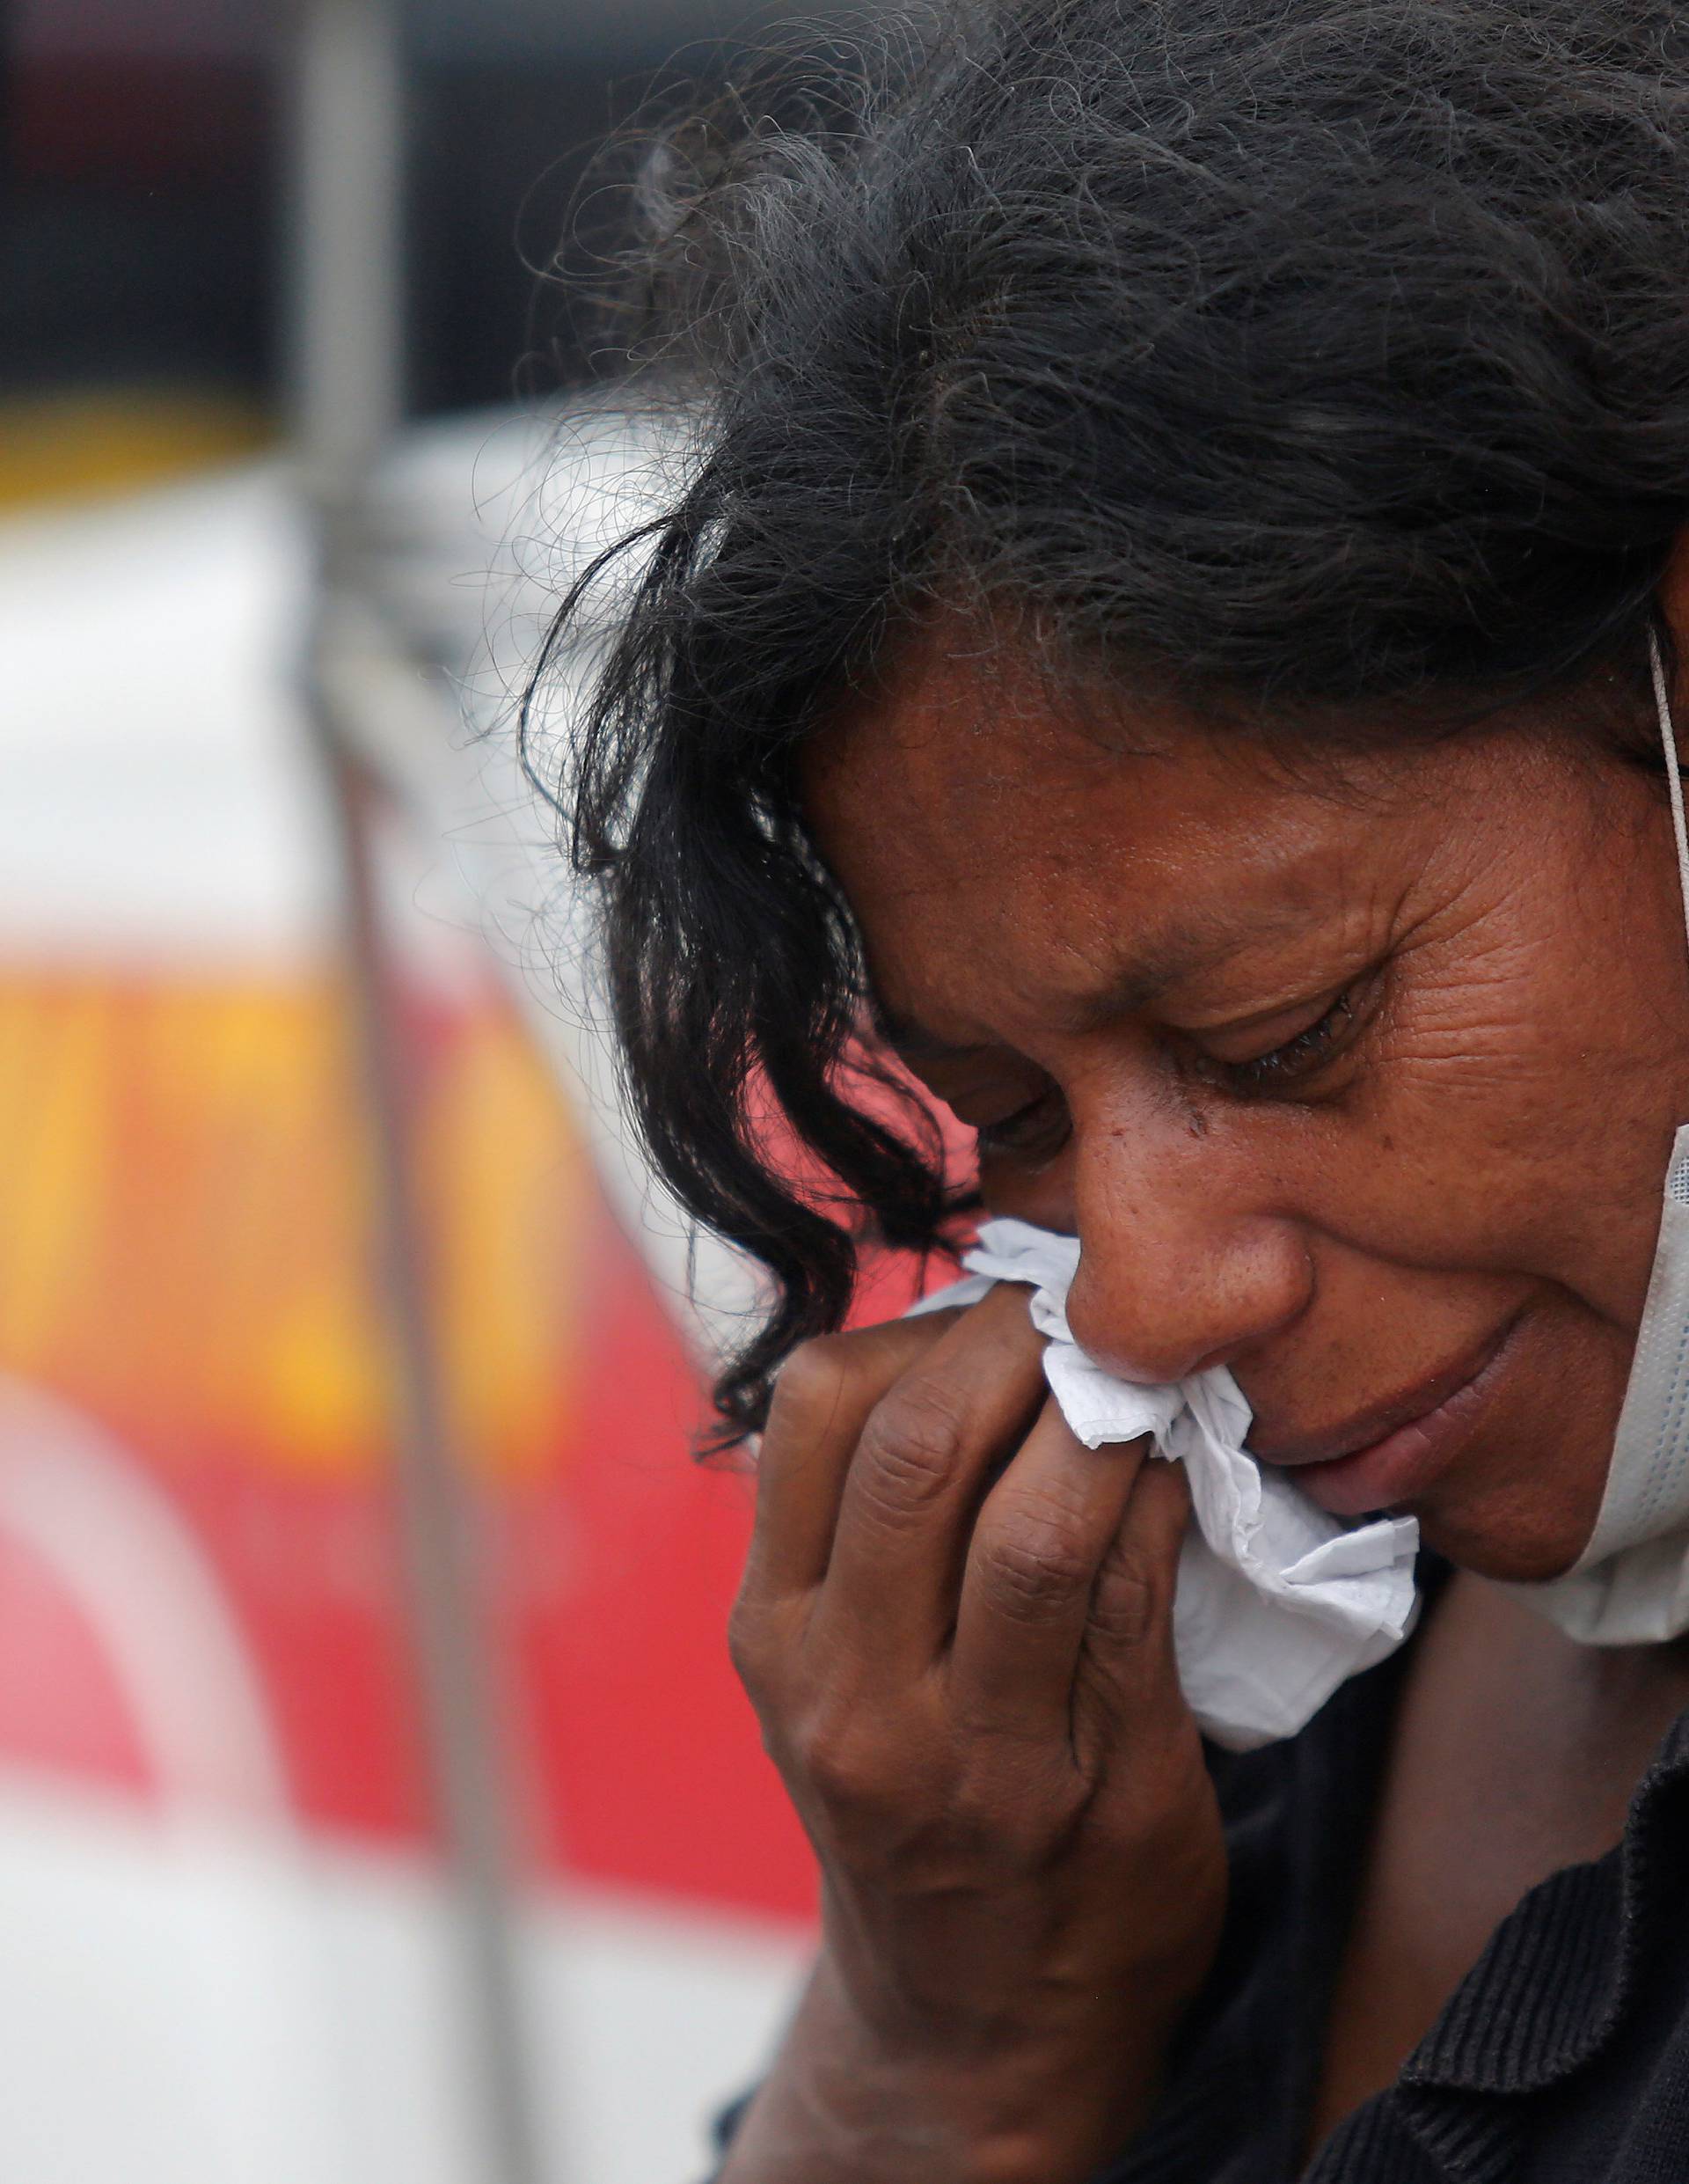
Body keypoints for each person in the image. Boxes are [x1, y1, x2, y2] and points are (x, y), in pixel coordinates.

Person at [541, 2, 1689, 2174]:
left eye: (1284, 1035)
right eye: (1017, 1118)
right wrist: (946, 2040)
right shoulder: (1232, 1667)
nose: (1147, 1300)